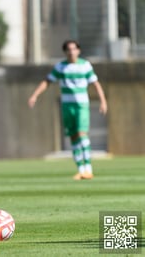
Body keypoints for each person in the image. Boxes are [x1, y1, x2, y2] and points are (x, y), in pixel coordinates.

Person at [28, 39, 107, 180]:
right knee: (73, 137)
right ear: (65, 52)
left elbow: (96, 83)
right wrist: (35, 95)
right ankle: (80, 169)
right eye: (68, 49)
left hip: (81, 105)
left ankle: (88, 168)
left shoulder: (85, 66)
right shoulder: (60, 67)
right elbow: (47, 81)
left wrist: (103, 101)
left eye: (74, 49)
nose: (71, 52)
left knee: (82, 134)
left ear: (78, 50)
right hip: (67, 106)